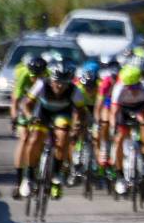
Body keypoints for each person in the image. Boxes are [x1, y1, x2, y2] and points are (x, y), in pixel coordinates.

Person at [18, 61, 87, 200]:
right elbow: (26, 103)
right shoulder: (41, 84)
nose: (60, 86)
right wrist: (30, 116)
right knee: (35, 138)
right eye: (57, 82)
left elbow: (81, 111)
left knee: (63, 135)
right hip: (43, 113)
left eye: (64, 82)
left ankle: (56, 175)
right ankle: (28, 177)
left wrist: (77, 124)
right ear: (51, 79)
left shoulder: (74, 90)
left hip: (63, 114)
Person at [109, 64, 144, 196]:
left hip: (140, 108)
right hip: (123, 109)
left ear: (139, 82)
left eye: (134, 87)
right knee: (119, 139)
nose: (131, 90)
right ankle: (119, 175)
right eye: (128, 87)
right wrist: (113, 127)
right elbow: (114, 112)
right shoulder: (119, 88)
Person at [10, 54, 47, 198]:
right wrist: (14, 119)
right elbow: (15, 101)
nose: (35, 79)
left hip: (41, 108)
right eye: (33, 76)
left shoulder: (48, 77)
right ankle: (19, 181)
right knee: (24, 138)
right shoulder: (23, 75)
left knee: (41, 137)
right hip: (25, 109)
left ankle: (39, 169)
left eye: (39, 76)